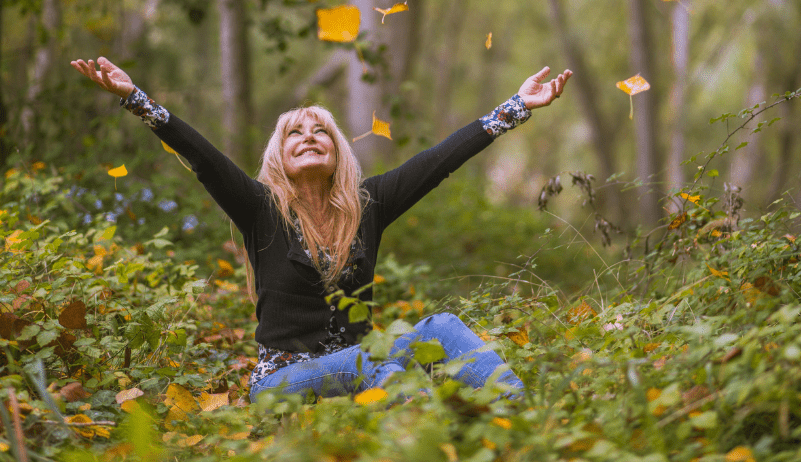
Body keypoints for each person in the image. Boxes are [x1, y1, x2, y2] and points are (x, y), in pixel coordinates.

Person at [71, 56, 572, 403]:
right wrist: (135, 97)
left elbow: (439, 160)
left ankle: (515, 414)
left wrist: (517, 106)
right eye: (295, 132)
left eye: (321, 132)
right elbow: (201, 157)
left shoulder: (368, 206)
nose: (309, 136)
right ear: (279, 156)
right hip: (282, 381)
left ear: (337, 154)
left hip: (362, 361)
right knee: (378, 366)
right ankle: (427, 434)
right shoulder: (261, 208)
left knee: (438, 330)